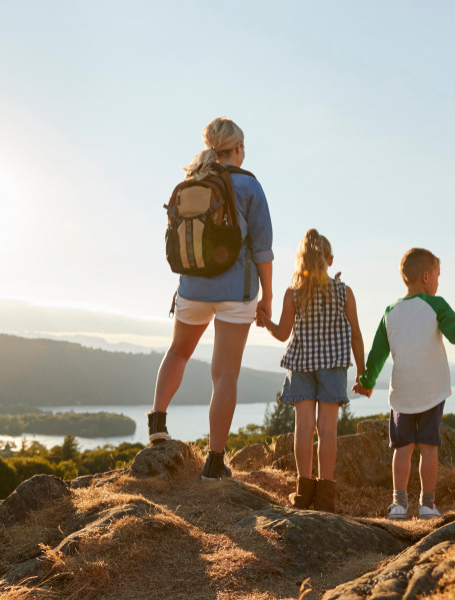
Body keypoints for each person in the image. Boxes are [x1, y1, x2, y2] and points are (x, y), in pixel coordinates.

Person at [150, 116, 274, 480]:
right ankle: (214, 462)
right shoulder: (249, 186)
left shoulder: (192, 181)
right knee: (225, 375)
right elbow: (262, 251)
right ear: (237, 149)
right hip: (236, 291)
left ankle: (157, 424)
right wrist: (267, 298)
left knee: (178, 352)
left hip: (192, 287)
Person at [353, 249, 455, 519]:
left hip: (402, 394)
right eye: (438, 277)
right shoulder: (437, 304)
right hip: (431, 391)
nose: (438, 283)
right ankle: (428, 505)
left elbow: (377, 354)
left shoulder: (390, 312)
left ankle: (399, 505)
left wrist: (367, 382)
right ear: (426, 277)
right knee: (429, 449)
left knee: (402, 450)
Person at [256, 229, 365, 512]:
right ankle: (326, 495)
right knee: (327, 429)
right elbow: (355, 336)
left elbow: (282, 334)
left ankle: (303, 492)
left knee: (303, 428)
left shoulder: (294, 293)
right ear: (329, 259)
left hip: (301, 363)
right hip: (333, 365)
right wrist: (363, 373)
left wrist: (265, 322)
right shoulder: (344, 292)